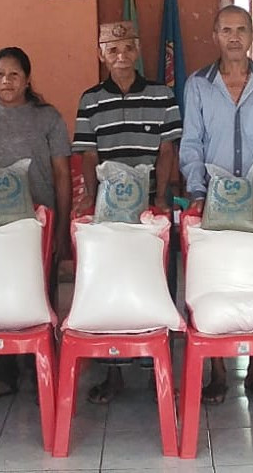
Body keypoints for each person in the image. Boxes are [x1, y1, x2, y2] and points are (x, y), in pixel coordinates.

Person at [179, 5, 253, 405]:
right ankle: (217, 373)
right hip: (214, 202)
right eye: (226, 29)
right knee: (215, 284)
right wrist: (198, 193)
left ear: (252, 35)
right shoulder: (198, 85)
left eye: (241, 29)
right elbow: (192, 143)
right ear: (215, 36)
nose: (234, 37)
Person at [73, 21, 182, 404]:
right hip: (109, 209)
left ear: (137, 51)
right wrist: (92, 198)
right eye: (112, 49)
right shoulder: (90, 100)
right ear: (101, 53)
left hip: (149, 207)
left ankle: (156, 367)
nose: (121, 56)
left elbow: (167, 150)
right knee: (111, 284)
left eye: (128, 48)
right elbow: (89, 154)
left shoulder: (162, 95)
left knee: (155, 281)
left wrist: (162, 196)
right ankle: (113, 370)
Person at [0, 46, 72, 404]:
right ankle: (2, 376)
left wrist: (61, 229)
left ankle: (41, 372)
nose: (6, 81)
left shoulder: (48, 117)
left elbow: (62, 175)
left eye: (14, 74)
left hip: (38, 226)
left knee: (39, 297)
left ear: (27, 79)